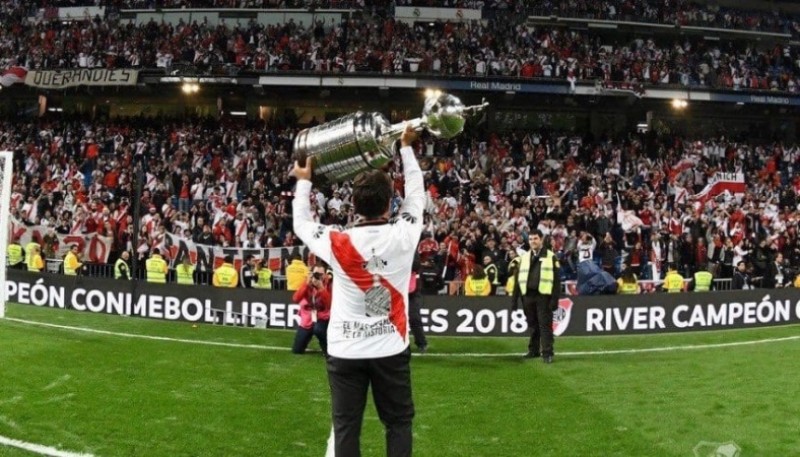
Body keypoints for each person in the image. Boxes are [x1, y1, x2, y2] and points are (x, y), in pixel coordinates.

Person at [293, 123, 422, 457]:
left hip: (345, 349)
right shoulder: (404, 235)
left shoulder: (338, 241)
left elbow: (302, 224)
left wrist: (304, 182)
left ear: (353, 203)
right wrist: (406, 148)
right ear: (390, 202)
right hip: (390, 346)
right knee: (398, 423)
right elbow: (417, 197)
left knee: (347, 426)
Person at [511, 229, 561, 364]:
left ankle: (547, 353)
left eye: (535, 239)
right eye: (531, 239)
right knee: (533, 325)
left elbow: (557, 281)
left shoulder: (551, 256)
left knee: (545, 325)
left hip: (543, 296)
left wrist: (555, 299)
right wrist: (514, 301)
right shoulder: (525, 257)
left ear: (541, 239)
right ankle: (533, 350)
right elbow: (517, 280)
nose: (533, 241)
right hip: (527, 296)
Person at [291, 264, 332, 355]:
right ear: (312, 273)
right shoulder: (307, 282)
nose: (319, 277)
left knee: (319, 330)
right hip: (308, 318)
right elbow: (295, 299)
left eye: (321, 274)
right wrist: (306, 285)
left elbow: (329, 305)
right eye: (316, 274)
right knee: (297, 350)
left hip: (323, 317)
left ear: (325, 274)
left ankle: (327, 348)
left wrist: (321, 288)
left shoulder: (330, 284)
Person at [409, 254, 428, 353]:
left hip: (412, 292)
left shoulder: (413, 250)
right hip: (397, 290)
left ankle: (421, 343)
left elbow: (416, 265)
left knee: (414, 318)